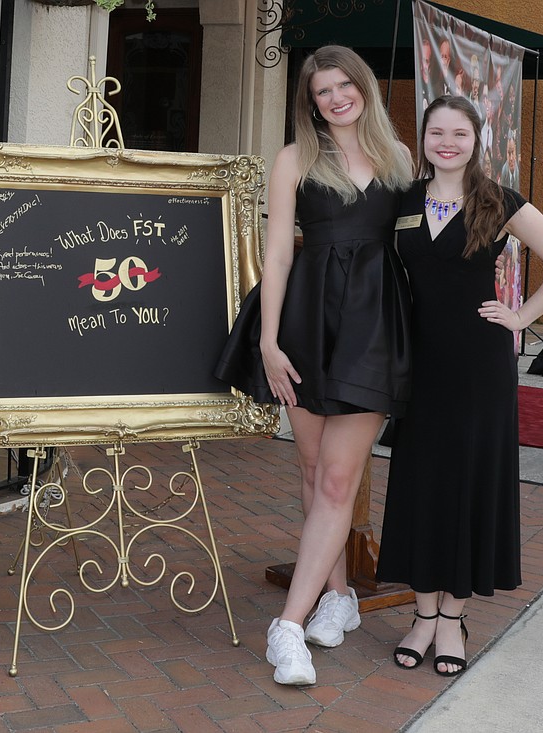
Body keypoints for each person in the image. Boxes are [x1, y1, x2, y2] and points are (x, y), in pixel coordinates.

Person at [215, 45, 413, 685]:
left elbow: (422, 245)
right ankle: (338, 596)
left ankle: (288, 627)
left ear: (364, 87)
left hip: (372, 330)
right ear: (311, 102)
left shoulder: (398, 157)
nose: (336, 97)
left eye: (344, 85)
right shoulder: (295, 159)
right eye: (323, 90)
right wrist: (269, 342)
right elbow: (276, 254)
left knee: (335, 480)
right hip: (307, 323)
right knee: (311, 468)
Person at [376, 95, 543, 676]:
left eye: (459, 133)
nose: (447, 143)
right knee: (421, 480)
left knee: (468, 480)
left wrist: (520, 318)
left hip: (478, 364)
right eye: (436, 132)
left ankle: (452, 617)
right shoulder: (403, 200)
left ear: (476, 140)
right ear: (422, 139)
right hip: (419, 362)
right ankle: (422, 613)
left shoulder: (498, 201)